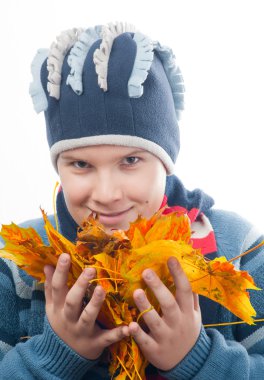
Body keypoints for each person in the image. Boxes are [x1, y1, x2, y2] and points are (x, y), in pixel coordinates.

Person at [0, 21, 263, 380]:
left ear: (165, 161)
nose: (107, 194)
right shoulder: (16, 265)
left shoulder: (240, 250)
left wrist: (200, 361)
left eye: (131, 161)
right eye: (81, 164)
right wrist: (54, 355)